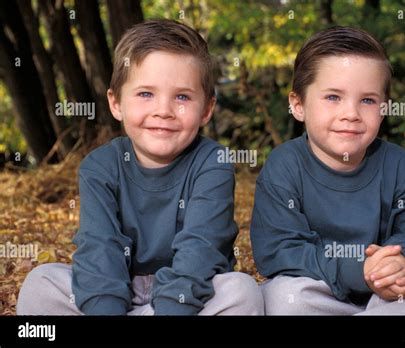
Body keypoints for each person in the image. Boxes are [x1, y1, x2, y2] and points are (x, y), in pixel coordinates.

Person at [18, 19, 263, 316]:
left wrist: (172, 307)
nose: (163, 110)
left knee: (241, 291)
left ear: (207, 109)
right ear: (116, 102)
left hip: (191, 297)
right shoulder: (99, 167)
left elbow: (201, 248)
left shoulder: (213, 163)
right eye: (146, 93)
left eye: (182, 97)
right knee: (41, 284)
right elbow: (101, 247)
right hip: (115, 293)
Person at [250, 26, 405, 315]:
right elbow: (279, 251)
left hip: (392, 297)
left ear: (384, 108)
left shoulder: (398, 164)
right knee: (284, 296)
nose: (351, 114)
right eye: (333, 97)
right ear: (298, 104)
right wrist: (359, 270)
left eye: (367, 100)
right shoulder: (284, 166)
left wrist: (400, 264)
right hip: (322, 293)